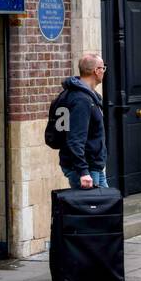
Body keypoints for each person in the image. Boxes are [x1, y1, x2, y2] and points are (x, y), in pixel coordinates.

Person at [57, 53, 108, 189]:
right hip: (85, 169)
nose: (104, 71)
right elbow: (75, 139)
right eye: (103, 68)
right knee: (96, 209)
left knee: (107, 207)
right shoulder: (81, 99)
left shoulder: (81, 95)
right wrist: (83, 172)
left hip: (93, 166)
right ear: (96, 71)